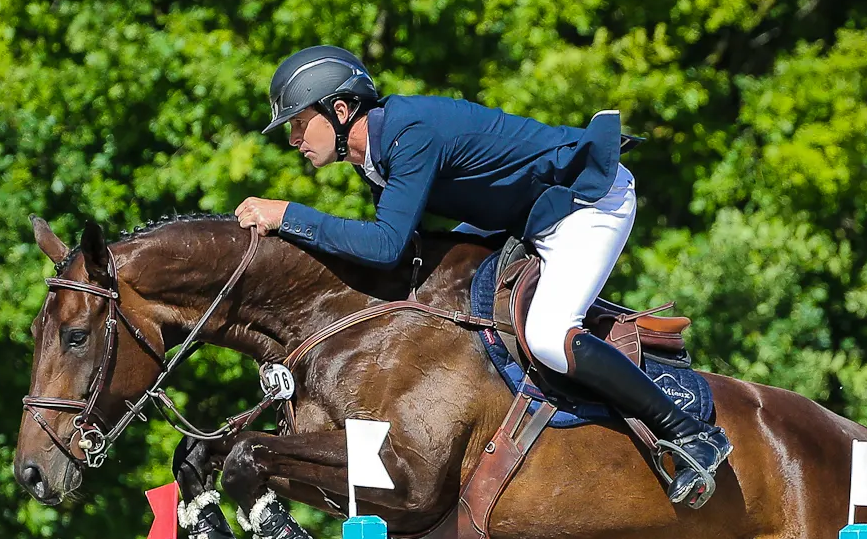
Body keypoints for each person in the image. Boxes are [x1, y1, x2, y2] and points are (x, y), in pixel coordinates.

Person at [235, 45, 733, 509]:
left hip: (582, 203)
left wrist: (290, 217)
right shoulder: (375, 154)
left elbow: (385, 246)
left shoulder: (410, 135)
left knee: (548, 336)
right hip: (521, 211)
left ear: (340, 112)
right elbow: (402, 252)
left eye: (300, 123)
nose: (295, 139)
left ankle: (689, 433)